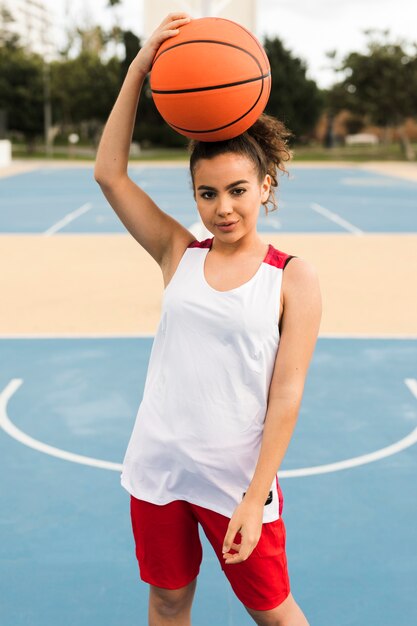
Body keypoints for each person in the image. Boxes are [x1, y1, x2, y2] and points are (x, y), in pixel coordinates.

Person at [94, 12, 322, 626]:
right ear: (194, 195)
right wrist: (141, 69)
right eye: (207, 193)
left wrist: (255, 497)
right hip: (161, 466)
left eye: (238, 190)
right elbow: (108, 174)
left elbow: (288, 392)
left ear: (265, 186)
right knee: (168, 602)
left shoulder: (291, 276)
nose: (223, 209)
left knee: (274, 612)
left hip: (236, 480)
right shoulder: (178, 253)